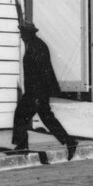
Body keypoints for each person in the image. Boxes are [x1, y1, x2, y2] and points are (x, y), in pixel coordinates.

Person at [12, 21, 79, 161]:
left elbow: (40, 74)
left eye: (22, 33)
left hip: (37, 91)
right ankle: (23, 145)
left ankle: (69, 141)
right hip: (36, 91)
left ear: (28, 33)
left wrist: (36, 95)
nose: (20, 36)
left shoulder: (37, 47)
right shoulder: (34, 45)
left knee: (31, 116)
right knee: (33, 116)